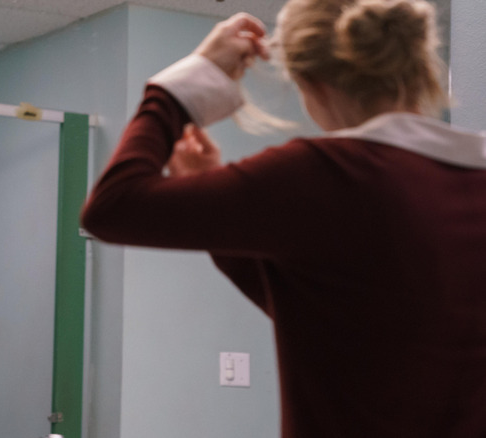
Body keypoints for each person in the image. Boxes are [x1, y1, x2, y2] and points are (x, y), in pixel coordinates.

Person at [80, 0, 486, 436]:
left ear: (310, 82)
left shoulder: (321, 174)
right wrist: (217, 205)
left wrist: (181, 89)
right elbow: (327, 316)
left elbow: (112, 207)